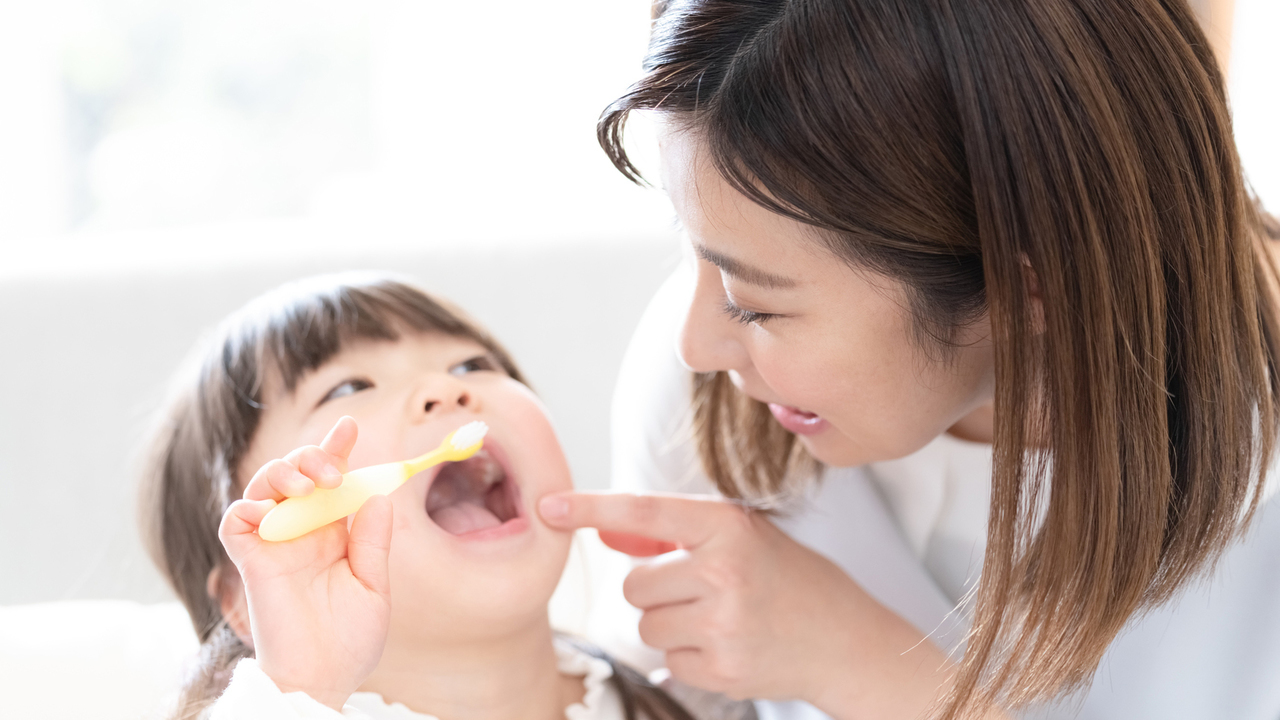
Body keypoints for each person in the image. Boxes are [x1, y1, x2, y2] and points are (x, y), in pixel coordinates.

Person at [536, 1, 1280, 719]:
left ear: (1030, 289)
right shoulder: (720, 389)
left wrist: (858, 663)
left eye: (758, 304)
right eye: (689, 242)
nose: (694, 344)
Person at [137, 274, 701, 720]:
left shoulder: (692, 690)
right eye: (349, 387)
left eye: (472, 365)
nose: (446, 389)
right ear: (241, 596)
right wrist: (298, 691)